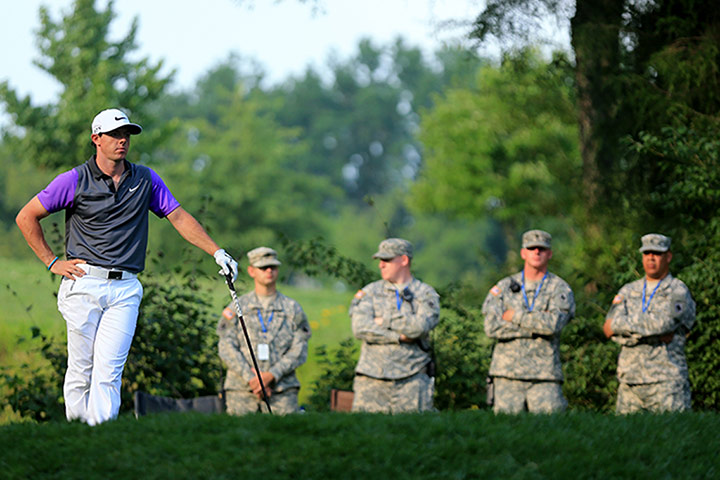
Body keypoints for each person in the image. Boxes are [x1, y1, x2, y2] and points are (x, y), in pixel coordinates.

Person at [15, 108, 238, 426]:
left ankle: (101, 437)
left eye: (127, 135)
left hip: (125, 288)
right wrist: (52, 262)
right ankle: (78, 435)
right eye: (115, 135)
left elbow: (178, 216)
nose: (123, 141)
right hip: (84, 282)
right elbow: (26, 216)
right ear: (97, 139)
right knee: (82, 367)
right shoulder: (75, 179)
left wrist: (217, 252)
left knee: (109, 370)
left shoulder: (145, 179)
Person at [482, 229, 575, 414]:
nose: (537, 252)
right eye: (531, 248)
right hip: (507, 375)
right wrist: (536, 325)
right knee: (506, 434)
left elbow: (553, 325)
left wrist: (515, 317)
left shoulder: (560, 288)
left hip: (544, 376)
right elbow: (491, 327)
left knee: (550, 433)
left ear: (549, 253)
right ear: (523, 253)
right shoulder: (504, 287)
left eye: (541, 248)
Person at [604, 233, 695, 414]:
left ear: (668, 256)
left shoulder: (677, 290)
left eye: (657, 253)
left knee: (670, 439)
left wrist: (626, 330)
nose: (651, 258)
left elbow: (665, 324)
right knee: (626, 440)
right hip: (630, 382)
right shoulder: (629, 290)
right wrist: (650, 332)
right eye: (647, 253)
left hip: (666, 382)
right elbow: (608, 327)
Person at [349, 238, 440, 413]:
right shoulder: (370, 292)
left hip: (412, 380)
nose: (381, 265)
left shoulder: (425, 294)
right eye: (380, 261)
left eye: (387, 260)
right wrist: (398, 337)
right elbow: (360, 327)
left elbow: (420, 327)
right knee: (366, 435)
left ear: (404, 260)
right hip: (371, 380)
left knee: (412, 434)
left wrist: (384, 320)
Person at [217, 247, 311, 415]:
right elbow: (226, 346)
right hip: (242, 390)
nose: (269, 271)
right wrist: (252, 379)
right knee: (238, 438)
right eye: (263, 267)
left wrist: (271, 376)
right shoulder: (238, 307)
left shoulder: (292, 308)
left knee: (284, 437)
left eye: (273, 267)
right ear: (251, 271)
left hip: (282, 390)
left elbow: (299, 348)